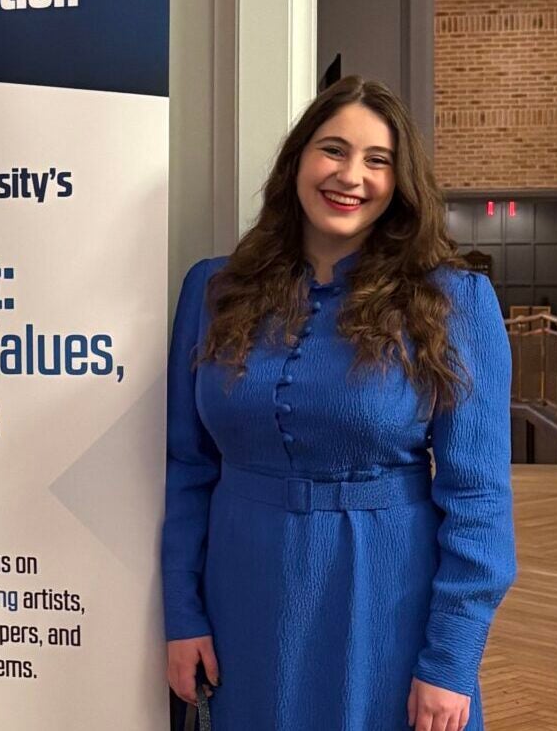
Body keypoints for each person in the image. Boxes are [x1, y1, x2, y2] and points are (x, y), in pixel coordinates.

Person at [161, 76, 515, 731]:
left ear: (399, 181)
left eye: (377, 160)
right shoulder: (212, 290)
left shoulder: (454, 301)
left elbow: (479, 501)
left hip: (385, 600)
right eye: (333, 150)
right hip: (242, 596)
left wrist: (450, 661)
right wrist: (182, 615)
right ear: (297, 160)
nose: (351, 175)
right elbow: (187, 470)